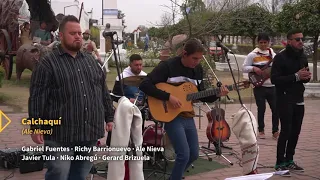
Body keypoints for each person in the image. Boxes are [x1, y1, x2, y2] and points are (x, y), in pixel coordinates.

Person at [28, 15, 114, 180]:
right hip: (60, 134)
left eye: (80, 33)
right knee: (59, 174)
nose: (78, 36)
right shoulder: (48, 63)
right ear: (61, 36)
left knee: (80, 175)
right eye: (73, 33)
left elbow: (102, 91)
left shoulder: (91, 62)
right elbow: (38, 97)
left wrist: (109, 116)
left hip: (89, 132)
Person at [139, 38, 229, 180]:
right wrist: (169, 97)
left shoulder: (198, 70)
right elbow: (144, 85)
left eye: (199, 59)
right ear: (184, 54)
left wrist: (218, 93)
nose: (197, 62)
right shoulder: (167, 66)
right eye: (194, 58)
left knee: (193, 154)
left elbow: (202, 95)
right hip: (171, 116)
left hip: (187, 115)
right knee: (183, 154)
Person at [271, 29, 311, 176]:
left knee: (296, 131)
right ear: (289, 41)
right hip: (284, 98)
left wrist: (306, 77)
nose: (301, 42)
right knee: (286, 131)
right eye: (297, 39)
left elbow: (304, 77)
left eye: (302, 39)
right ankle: (279, 163)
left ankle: (289, 160)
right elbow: (275, 79)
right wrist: (295, 76)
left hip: (299, 98)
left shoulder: (303, 56)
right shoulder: (280, 58)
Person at [242, 32, 280, 140]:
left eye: (265, 42)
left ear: (269, 43)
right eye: (261, 42)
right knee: (261, 109)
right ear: (257, 43)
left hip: (272, 86)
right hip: (259, 87)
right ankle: (261, 130)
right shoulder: (252, 55)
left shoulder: (273, 55)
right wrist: (254, 69)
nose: (263, 44)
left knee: (275, 109)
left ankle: (275, 131)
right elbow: (244, 67)